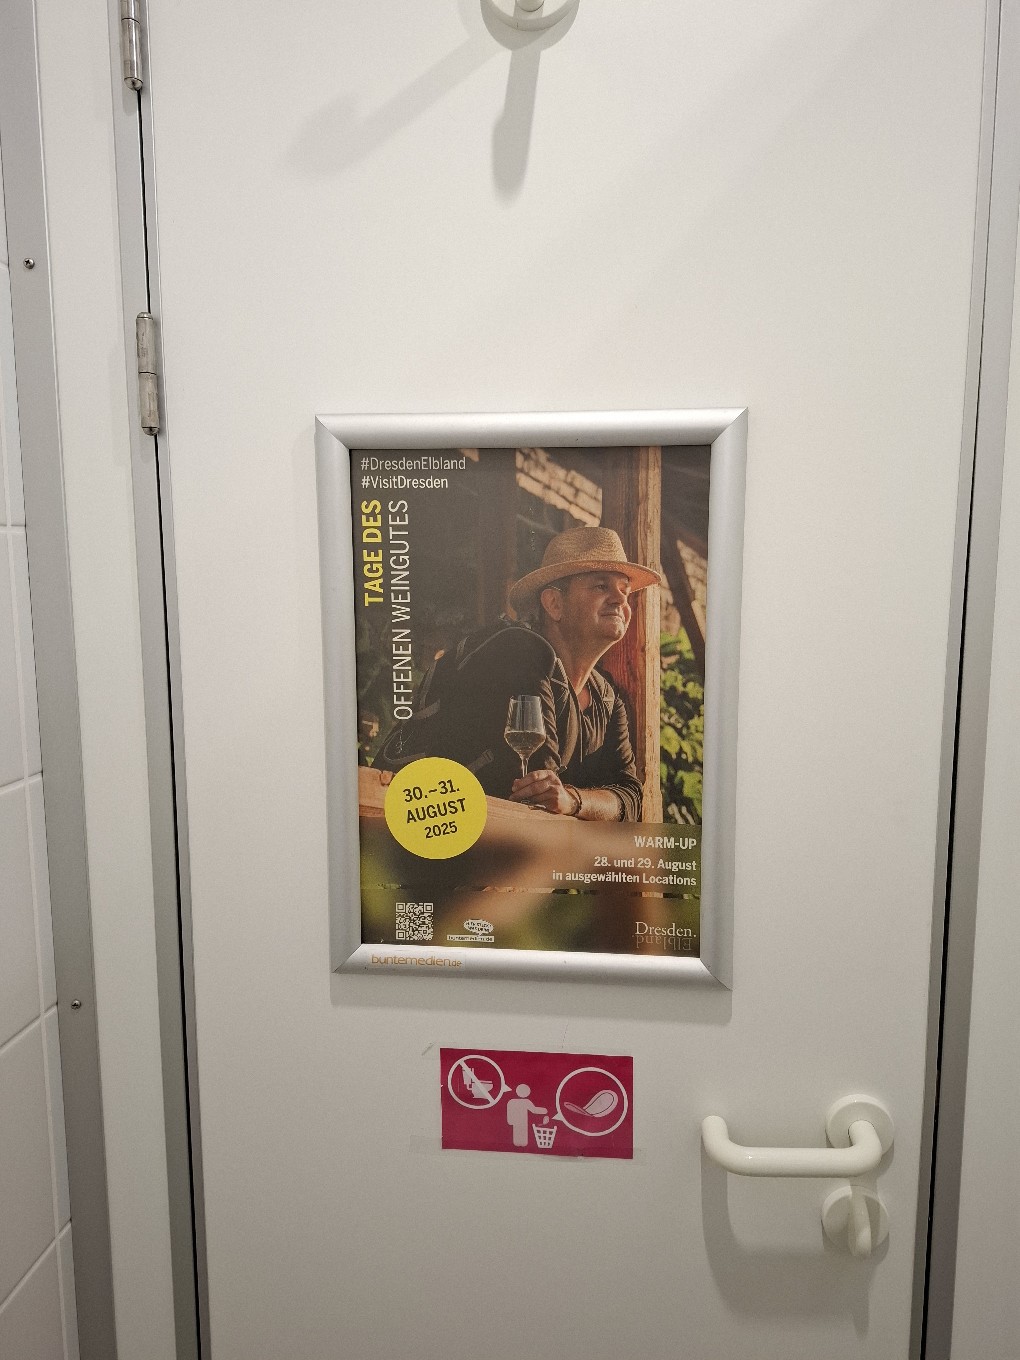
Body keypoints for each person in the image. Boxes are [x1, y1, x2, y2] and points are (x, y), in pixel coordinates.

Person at [378, 526, 661, 821]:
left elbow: (631, 799)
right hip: (412, 825)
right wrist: (590, 801)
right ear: (554, 604)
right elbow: (537, 790)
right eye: (601, 586)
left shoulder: (606, 696)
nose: (620, 600)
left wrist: (574, 800)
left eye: (625, 591)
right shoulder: (518, 652)